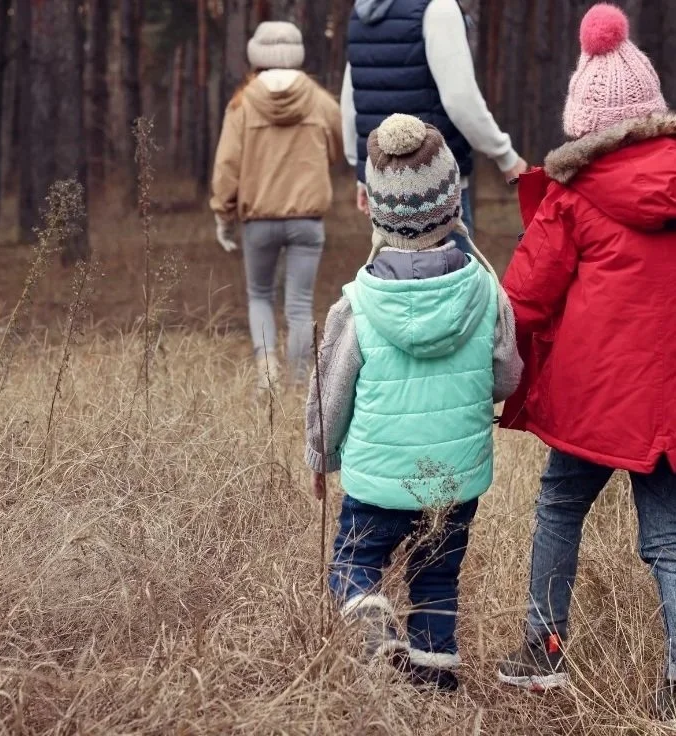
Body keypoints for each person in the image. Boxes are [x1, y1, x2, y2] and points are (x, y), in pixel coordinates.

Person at [495, 4, 676, 716]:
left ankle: (542, 650)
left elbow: (526, 301)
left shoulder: (572, 198)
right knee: (668, 538)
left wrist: (490, 364)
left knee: (561, 505)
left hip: (598, 397)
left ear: (584, 121)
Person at [305, 114, 522, 691]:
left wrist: (320, 458)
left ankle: (371, 620)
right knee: (435, 581)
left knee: (355, 564)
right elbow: (506, 378)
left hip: (377, 480)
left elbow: (332, 395)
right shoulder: (485, 292)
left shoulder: (358, 305)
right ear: (453, 203)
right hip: (452, 481)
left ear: (376, 211)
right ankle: (436, 684)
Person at [210, 22, 342, 390]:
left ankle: (267, 374)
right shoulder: (319, 100)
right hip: (307, 220)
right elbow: (336, 147)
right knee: (300, 303)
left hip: (258, 221)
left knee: (260, 296)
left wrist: (223, 213)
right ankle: (301, 384)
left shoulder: (242, 103)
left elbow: (226, 165)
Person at [341, 0, 528, 253]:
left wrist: (362, 174)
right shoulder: (438, 8)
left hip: (383, 187)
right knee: (455, 286)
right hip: (437, 186)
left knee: (394, 285)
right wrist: (505, 156)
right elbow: (460, 99)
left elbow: (351, 97)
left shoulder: (362, 11)